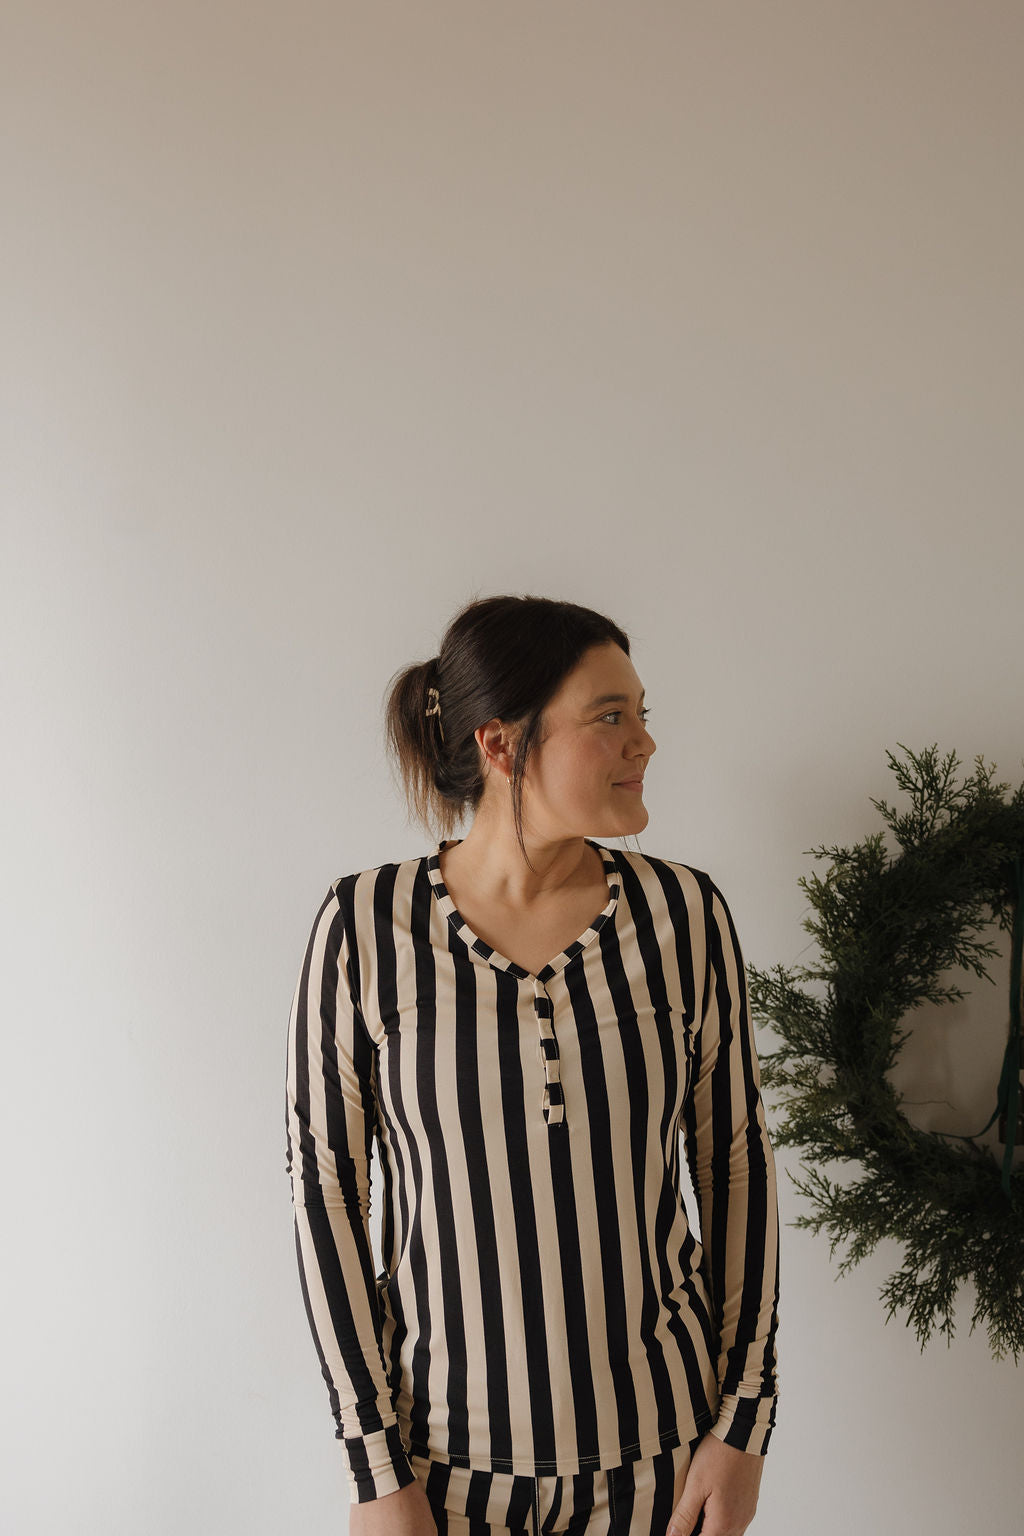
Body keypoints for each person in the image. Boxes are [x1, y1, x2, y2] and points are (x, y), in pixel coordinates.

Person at [285, 594, 780, 1536]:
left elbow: (735, 1165)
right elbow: (325, 1195)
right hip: (439, 1475)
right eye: (610, 717)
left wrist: (743, 1424)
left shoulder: (685, 918)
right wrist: (374, 1469)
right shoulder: (362, 929)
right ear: (502, 745)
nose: (645, 743)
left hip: (663, 1468)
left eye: (643, 714)